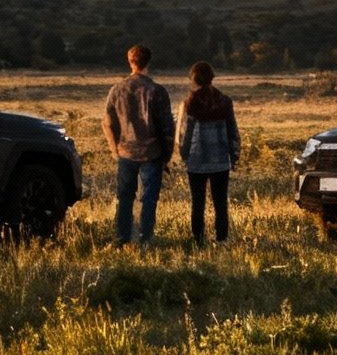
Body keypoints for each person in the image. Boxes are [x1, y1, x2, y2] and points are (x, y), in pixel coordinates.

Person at [103, 44, 174, 246]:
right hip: (151, 152)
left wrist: (114, 148)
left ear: (130, 61)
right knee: (149, 199)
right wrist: (167, 155)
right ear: (148, 62)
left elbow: (108, 122)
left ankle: (122, 237)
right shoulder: (157, 91)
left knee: (124, 198)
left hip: (125, 151)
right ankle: (145, 238)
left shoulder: (116, 89)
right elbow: (166, 127)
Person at [179, 61, 241, 246]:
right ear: (212, 78)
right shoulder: (224, 100)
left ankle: (198, 241)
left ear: (194, 79)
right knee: (220, 203)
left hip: (197, 160)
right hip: (221, 159)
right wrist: (234, 154)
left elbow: (184, 133)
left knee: (198, 203)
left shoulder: (189, 102)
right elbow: (233, 130)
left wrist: (184, 154)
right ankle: (221, 240)